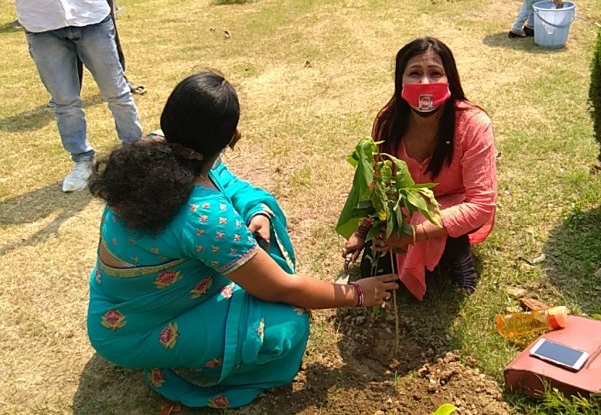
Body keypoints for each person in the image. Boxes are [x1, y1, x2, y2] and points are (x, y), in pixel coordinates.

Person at [86, 71, 399, 409]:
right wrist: (357, 293)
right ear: (231, 137)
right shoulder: (205, 217)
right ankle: (185, 372)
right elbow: (280, 288)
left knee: (259, 222)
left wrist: (257, 212)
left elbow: (228, 183)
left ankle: (190, 345)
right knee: (287, 325)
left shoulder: (158, 148)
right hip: (134, 333)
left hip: (119, 310)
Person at [343, 37, 497, 300]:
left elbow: (482, 204)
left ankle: (457, 249)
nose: (424, 83)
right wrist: (362, 231)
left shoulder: (473, 124)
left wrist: (412, 235)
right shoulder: (387, 123)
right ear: (400, 80)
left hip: (450, 205)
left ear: (450, 79)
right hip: (405, 209)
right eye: (414, 73)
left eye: (435, 73)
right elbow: (376, 185)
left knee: (446, 231)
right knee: (371, 268)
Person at [13, 0, 142, 192]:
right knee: (65, 103)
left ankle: (134, 154)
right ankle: (82, 161)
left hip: (90, 15)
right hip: (40, 23)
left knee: (117, 93)